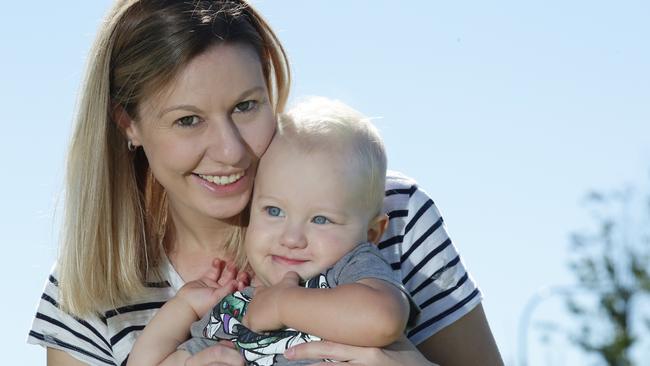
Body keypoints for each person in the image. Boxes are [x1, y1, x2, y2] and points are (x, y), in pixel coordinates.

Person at [27, 1, 503, 365]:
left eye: (245, 106)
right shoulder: (86, 288)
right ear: (127, 124)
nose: (231, 150)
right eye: (189, 120)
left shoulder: (386, 210)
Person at [128, 97, 417, 366]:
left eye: (320, 219)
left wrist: (283, 305)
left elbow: (384, 318)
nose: (291, 239)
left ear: (372, 233)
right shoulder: (235, 307)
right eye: (274, 211)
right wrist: (185, 307)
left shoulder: (345, 274)